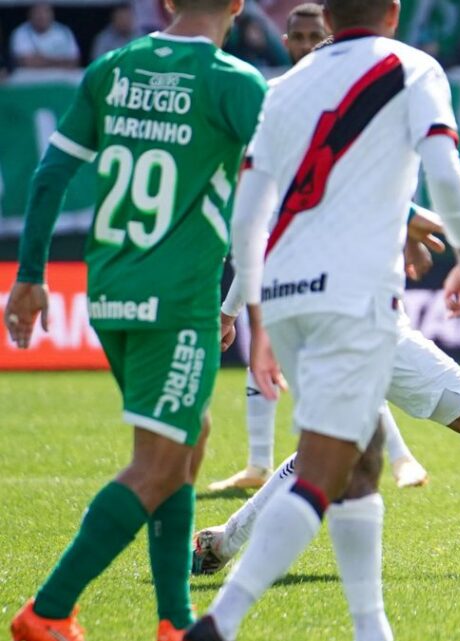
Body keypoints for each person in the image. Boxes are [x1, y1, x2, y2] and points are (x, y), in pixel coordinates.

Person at [183, 0, 460, 637]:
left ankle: (369, 628)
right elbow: (446, 172)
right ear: (393, 14)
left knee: (356, 457)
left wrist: (250, 313)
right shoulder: (413, 67)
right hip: (352, 292)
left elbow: (248, 215)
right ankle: (223, 619)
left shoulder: (282, 88)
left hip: (287, 289)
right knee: (327, 466)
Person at [4, 0, 267, 635]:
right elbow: (302, 175)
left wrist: (32, 277)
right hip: (176, 300)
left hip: (110, 291)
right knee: (157, 462)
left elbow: (50, 175)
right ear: (237, 4)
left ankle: (173, 619)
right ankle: (49, 610)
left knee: (187, 441)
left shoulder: (111, 69)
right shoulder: (233, 81)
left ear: (165, 2)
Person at [193, 204, 460, 577]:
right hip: (367, 321)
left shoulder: (307, 161)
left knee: (331, 446)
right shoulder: (366, 155)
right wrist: (453, 249)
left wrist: (229, 312)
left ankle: (227, 540)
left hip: (326, 319)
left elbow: (264, 237)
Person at [206, 1, 432, 492]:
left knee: (344, 366)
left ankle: (394, 458)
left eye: (314, 37)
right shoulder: (274, 99)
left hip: (329, 262)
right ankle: (262, 467)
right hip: (285, 255)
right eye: (299, 38)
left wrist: (408, 223)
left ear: (328, 33)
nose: (307, 45)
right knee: (332, 367)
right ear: (284, 41)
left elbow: (364, 180)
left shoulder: (341, 94)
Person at [9, 2, 80, 69]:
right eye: (37, 13)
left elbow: (74, 61)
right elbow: (25, 62)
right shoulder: (21, 32)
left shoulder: (63, 31)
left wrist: (41, 60)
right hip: (29, 77)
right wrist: (59, 61)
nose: (42, 16)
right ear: (30, 15)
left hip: (60, 77)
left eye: (46, 12)